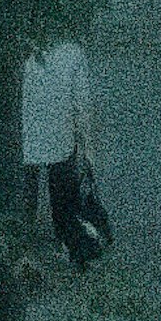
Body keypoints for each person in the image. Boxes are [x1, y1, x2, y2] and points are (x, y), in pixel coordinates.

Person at [17, 30, 108, 268]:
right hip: (61, 140)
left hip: (25, 139)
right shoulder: (72, 51)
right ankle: (68, 245)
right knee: (64, 196)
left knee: (26, 194)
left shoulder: (20, 51)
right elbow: (82, 104)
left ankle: (22, 248)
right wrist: (88, 148)